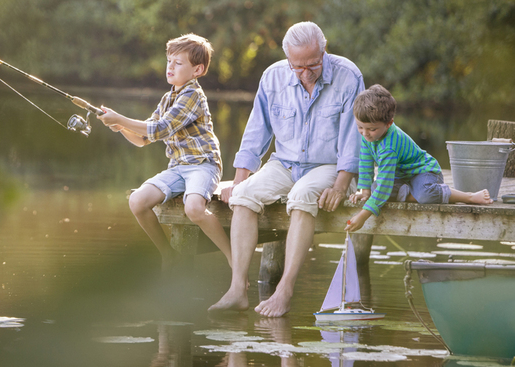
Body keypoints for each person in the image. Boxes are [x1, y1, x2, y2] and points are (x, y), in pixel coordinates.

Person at [209, 21, 364, 317]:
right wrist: (238, 180)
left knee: (302, 196)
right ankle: (237, 289)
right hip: (284, 163)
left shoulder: (348, 76)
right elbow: (256, 132)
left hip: (328, 165)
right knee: (244, 196)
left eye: (313, 64)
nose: (305, 73)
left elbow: (352, 139)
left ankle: (284, 290)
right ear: (288, 59)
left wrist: (341, 185)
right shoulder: (273, 77)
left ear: (324, 49)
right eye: (298, 66)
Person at [97, 34, 231, 273]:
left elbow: (160, 129)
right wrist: (120, 127)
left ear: (197, 70)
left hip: (203, 165)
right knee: (137, 201)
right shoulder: (168, 98)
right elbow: (143, 139)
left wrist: (120, 118)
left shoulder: (193, 95)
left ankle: (233, 258)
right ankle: (169, 256)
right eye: (169, 61)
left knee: (194, 208)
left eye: (178, 63)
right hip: (178, 168)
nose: (170, 67)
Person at [344, 84, 492, 232]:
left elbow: (384, 185)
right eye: (360, 127)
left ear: (389, 123)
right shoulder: (367, 136)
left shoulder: (389, 147)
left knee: (424, 195)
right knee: (375, 189)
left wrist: (363, 215)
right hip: (401, 177)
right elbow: (365, 161)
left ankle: (468, 197)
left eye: (372, 129)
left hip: (423, 172)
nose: (365, 133)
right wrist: (364, 191)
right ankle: (413, 191)